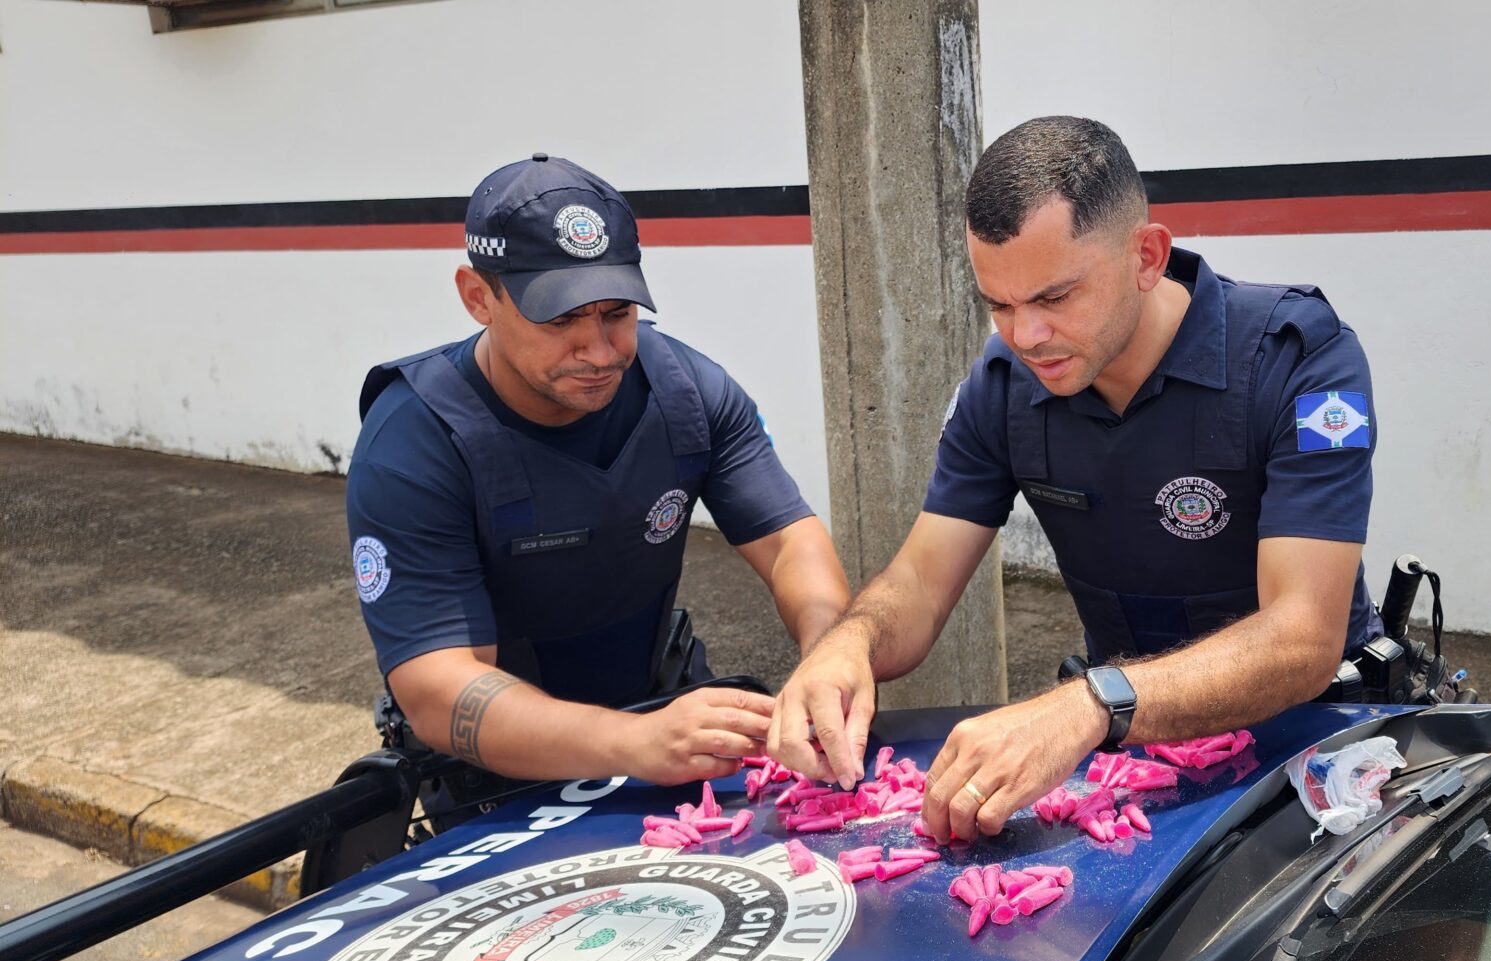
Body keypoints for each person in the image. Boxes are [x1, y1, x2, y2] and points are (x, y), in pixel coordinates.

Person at [769, 117, 1382, 840]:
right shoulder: (1001, 388)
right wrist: (851, 643)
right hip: (1129, 763)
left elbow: (1302, 639)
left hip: (1319, 753)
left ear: (1147, 256)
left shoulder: (1297, 361)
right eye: (999, 304)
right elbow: (919, 582)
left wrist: (1089, 705)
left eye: (1055, 298)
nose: (1025, 336)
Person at [347, 154, 849, 790]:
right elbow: (440, 688)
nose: (600, 351)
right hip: (498, 772)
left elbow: (788, 542)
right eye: (560, 320)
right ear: (479, 297)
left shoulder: (685, 393)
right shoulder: (415, 442)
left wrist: (830, 654)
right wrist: (631, 742)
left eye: (617, 313)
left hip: (658, 714)